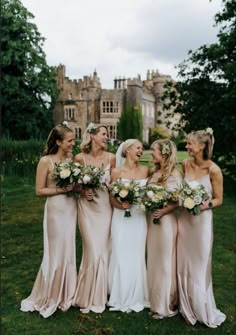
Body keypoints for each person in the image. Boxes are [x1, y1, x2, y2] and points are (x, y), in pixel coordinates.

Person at [20, 122, 77, 318]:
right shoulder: (46, 161)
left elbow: (74, 185)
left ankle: (67, 293)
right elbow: (39, 190)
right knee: (55, 250)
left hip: (71, 208)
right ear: (59, 142)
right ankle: (50, 294)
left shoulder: (71, 160)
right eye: (70, 141)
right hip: (55, 209)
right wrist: (62, 190)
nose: (73, 144)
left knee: (68, 248)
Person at [177, 128, 226, 327]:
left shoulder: (213, 169)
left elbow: (219, 199)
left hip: (202, 222)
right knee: (184, 261)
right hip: (184, 220)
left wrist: (205, 204)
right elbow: (181, 189)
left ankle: (201, 306)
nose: (186, 146)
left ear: (202, 146)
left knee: (199, 263)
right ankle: (185, 304)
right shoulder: (185, 164)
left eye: (190, 143)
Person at [72, 123, 116, 313]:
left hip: (105, 208)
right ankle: (87, 292)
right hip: (87, 209)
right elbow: (73, 185)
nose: (107, 137)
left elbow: (114, 185)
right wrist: (83, 190)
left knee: (103, 250)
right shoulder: (79, 158)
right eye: (104, 134)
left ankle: (102, 291)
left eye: (107, 134)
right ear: (92, 136)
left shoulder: (111, 158)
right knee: (92, 249)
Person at [108, 139, 149, 313]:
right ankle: (119, 294)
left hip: (139, 218)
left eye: (142, 148)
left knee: (137, 254)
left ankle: (138, 294)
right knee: (120, 252)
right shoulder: (116, 172)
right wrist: (120, 205)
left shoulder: (146, 170)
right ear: (128, 150)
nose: (141, 150)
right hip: (121, 219)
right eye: (138, 148)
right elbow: (111, 198)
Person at [147, 139, 182, 320]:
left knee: (164, 262)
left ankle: (164, 305)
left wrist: (164, 210)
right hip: (153, 222)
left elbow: (176, 200)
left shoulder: (174, 173)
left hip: (166, 222)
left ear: (164, 153)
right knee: (154, 260)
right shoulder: (154, 172)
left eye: (154, 150)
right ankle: (153, 299)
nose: (151, 153)